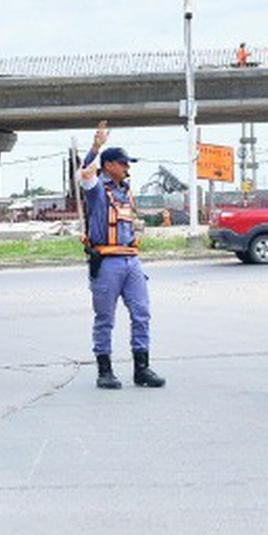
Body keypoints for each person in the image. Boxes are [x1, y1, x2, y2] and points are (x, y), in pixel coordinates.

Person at [77, 121, 164, 390]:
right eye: (124, 163)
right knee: (105, 318)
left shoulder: (124, 191)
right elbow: (83, 174)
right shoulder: (96, 191)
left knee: (141, 312)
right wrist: (95, 147)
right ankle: (105, 371)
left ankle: (142, 368)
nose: (127, 168)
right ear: (109, 166)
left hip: (131, 260)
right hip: (107, 262)